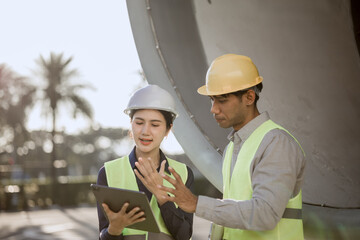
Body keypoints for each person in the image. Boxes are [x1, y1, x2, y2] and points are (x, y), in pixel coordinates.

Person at [159, 54, 306, 240]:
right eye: (212, 100)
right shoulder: (233, 148)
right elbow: (232, 213)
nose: (213, 109)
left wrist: (196, 203)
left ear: (249, 97)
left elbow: (266, 214)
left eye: (222, 100)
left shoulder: (276, 143)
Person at [96, 85, 194, 240]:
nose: (145, 131)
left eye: (155, 125)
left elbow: (184, 235)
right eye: (139, 122)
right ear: (131, 123)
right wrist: (113, 230)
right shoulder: (107, 173)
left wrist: (161, 195)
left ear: (168, 129)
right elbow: (104, 234)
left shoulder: (183, 173)